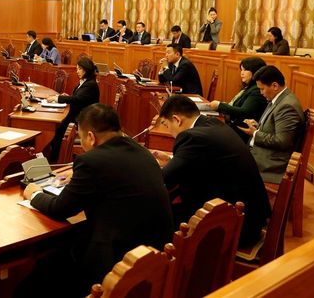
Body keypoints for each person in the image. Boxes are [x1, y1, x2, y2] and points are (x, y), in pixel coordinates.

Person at [23, 104, 173, 296]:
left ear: (91, 137)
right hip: (156, 252)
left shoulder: (91, 162)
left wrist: (34, 193)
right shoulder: (141, 151)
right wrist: (80, 178)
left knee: (39, 275)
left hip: (117, 261)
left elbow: (59, 209)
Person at [154, 95, 271, 247]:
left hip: (237, 227)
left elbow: (164, 179)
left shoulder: (192, 137)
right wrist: (172, 161)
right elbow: (200, 162)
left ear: (177, 120)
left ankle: (167, 260)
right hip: (250, 215)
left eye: (166, 124)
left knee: (157, 220)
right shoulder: (212, 123)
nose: (169, 131)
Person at [238, 65, 305, 183]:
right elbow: (276, 128)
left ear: (275, 86)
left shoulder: (287, 106)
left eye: (262, 89)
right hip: (262, 152)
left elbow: (282, 141)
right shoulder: (279, 98)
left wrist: (255, 133)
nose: (261, 93)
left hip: (272, 164)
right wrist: (258, 126)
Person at [45, 57, 100, 161]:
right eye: (77, 69)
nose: (77, 71)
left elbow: (78, 99)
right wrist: (68, 97)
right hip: (77, 114)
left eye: (79, 69)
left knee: (58, 131)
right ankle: (53, 155)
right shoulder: (85, 81)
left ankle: (55, 159)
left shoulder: (91, 84)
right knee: (58, 128)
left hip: (81, 119)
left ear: (86, 69)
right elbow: (78, 97)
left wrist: (58, 98)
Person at [208, 56, 268, 142]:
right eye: (241, 70)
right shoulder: (250, 87)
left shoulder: (257, 90)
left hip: (242, 132)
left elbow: (244, 112)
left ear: (255, 71)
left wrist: (220, 105)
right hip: (235, 127)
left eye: (245, 70)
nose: (242, 73)